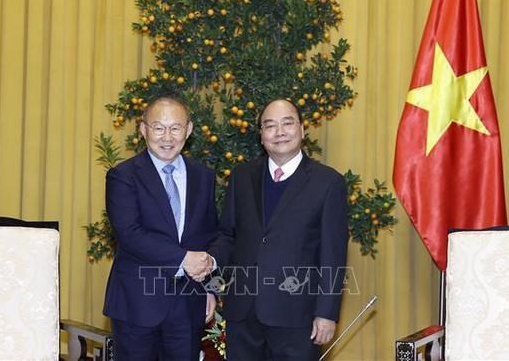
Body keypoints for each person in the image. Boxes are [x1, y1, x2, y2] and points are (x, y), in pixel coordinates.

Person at [208, 98, 349, 361]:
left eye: (287, 123)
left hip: (298, 318)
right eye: (270, 126)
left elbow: (333, 254)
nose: (279, 132)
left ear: (302, 129)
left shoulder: (328, 182)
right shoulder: (241, 176)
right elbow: (228, 235)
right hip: (243, 315)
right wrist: (210, 281)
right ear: (261, 135)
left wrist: (327, 312)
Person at [103, 95, 217, 360]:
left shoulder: (203, 176)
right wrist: (183, 259)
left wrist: (210, 287)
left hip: (189, 304)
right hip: (137, 304)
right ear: (143, 130)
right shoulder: (123, 175)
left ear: (188, 130)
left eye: (175, 128)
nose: (167, 137)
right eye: (158, 128)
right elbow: (129, 234)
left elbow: (209, 235)